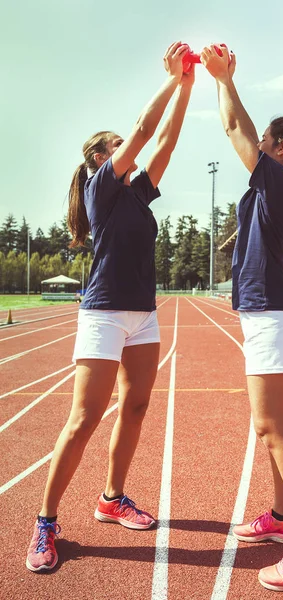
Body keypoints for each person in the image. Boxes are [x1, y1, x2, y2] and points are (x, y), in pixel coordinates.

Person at [26, 42, 195, 572]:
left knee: (137, 408)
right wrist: (170, 78)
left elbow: (163, 141)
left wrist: (189, 87)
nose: (132, 150)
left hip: (142, 314)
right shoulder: (102, 187)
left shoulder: (139, 194)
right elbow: (146, 129)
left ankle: (111, 497)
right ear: (101, 158)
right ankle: (46, 523)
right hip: (102, 313)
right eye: (118, 146)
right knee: (83, 419)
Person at [201, 45, 283, 592]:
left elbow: (235, 127)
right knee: (271, 428)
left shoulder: (280, 181)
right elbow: (238, 129)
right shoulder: (273, 182)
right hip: (264, 309)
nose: (254, 146)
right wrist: (220, 81)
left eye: (264, 142)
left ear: (279, 148)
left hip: (273, 312)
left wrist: (224, 79)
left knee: (273, 428)